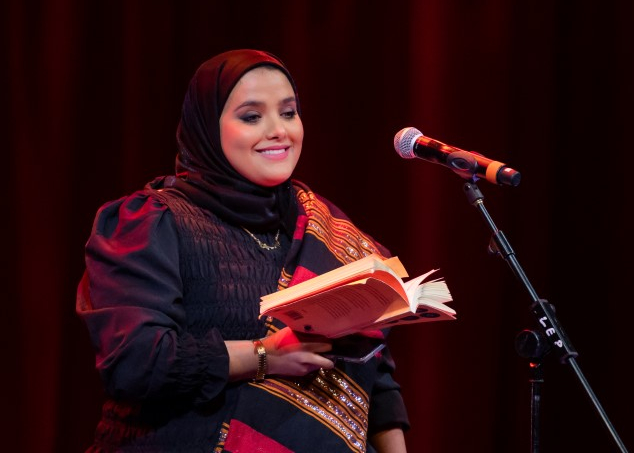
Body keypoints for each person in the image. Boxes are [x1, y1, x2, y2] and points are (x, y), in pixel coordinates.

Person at [76, 49, 409, 452]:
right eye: (252, 117)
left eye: (288, 113)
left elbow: (375, 376)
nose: (278, 131)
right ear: (207, 127)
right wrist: (263, 355)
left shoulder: (324, 228)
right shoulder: (153, 221)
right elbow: (136, 362)